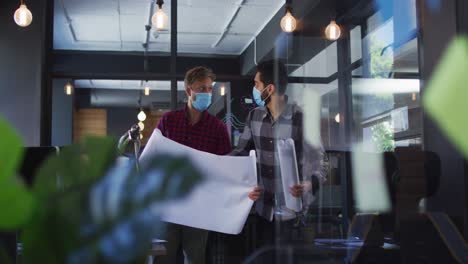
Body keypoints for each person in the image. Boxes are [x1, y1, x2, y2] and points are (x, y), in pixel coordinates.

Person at [230, 60, 327, 251]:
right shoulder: (254, 117)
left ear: (270, 88)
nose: (255, 89)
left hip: (295, 214)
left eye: (257, 84)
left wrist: (309, 184)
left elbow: (321, 162)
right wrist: (216, 163)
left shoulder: (302, 118)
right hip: (264, 210)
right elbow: (241, 154)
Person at [156, 66, 231, 264]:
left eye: (209, 88)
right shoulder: (168, 122)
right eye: (202, 88)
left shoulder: (218, 129)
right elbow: (154, 158)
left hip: (200, 205)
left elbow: (226, 168)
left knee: (195, 258)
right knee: (163, 257)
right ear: (189, 91)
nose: (207, 93)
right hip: (169, 203)